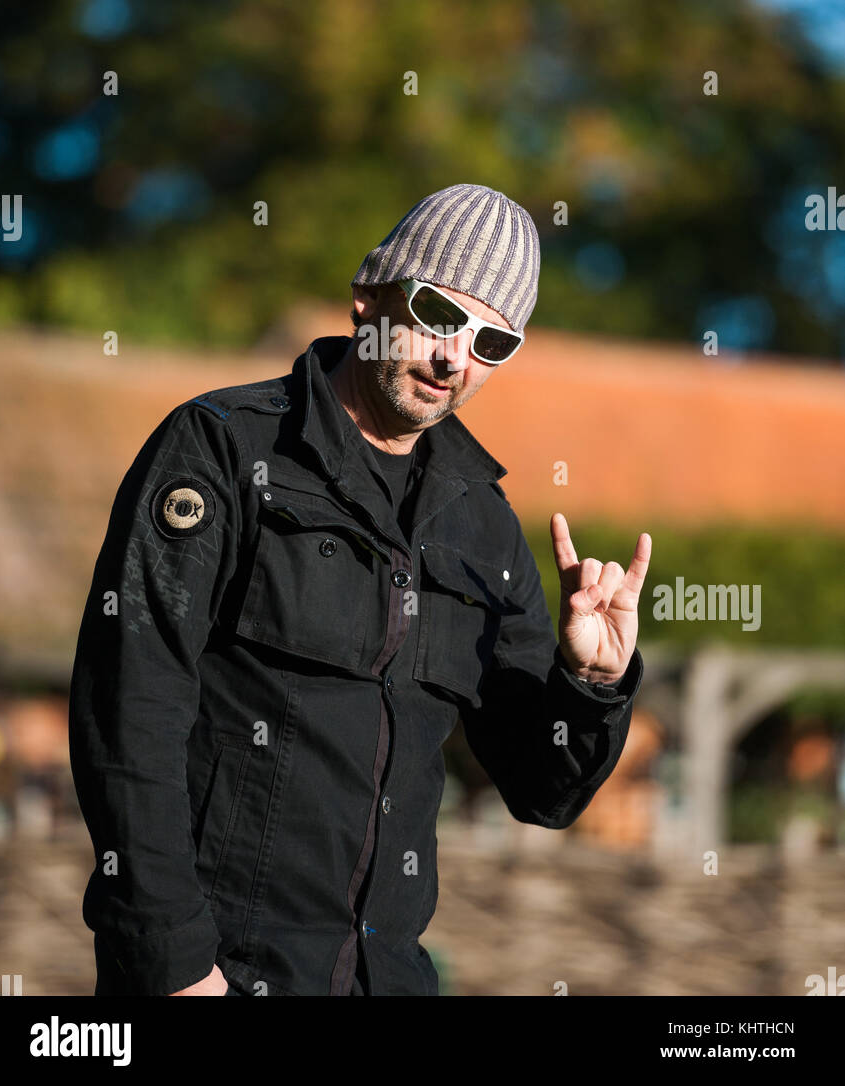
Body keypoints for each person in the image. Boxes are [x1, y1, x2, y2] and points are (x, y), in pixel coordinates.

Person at [69, 182, 651, 997]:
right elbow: (128, 708)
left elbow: (542, 791)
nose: (456, 357)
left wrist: (590, 682)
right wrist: (171, 961)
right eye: (437, 315)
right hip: (217, 975)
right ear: (368, 296)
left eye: (492, 341)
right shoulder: (221, 449)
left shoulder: (484, 528)